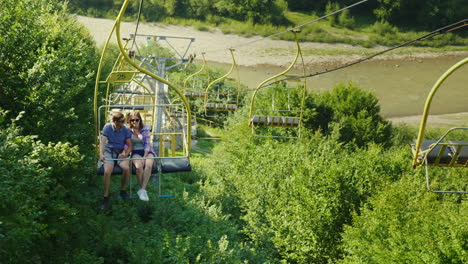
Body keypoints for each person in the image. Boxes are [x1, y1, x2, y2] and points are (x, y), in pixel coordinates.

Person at [99, 111, 133, 211]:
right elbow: (103, 142)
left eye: (124, 121)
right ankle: (105, 197)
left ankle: (123, 190)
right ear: (115, 121)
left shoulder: (125, 129)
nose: (124, 123)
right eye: (122, 121)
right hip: (109, 151)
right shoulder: (107, 127)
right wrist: (101, 154)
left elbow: (130, 145)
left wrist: (125, 154)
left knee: (126, 168)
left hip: (121, 152)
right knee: (107, 171)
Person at [127, 111, 156, 201]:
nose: (134, 122)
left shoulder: (145, 128)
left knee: (148, 165)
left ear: (140, 120)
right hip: (136, 151)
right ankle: (142, 189)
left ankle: (142, 190)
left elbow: (147, 144)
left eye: (136, 120)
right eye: (132, 120)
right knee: (139, 167)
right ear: (130, 121)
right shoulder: (128, 130)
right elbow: (127, 144)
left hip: (147, 151)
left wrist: (144, 157)